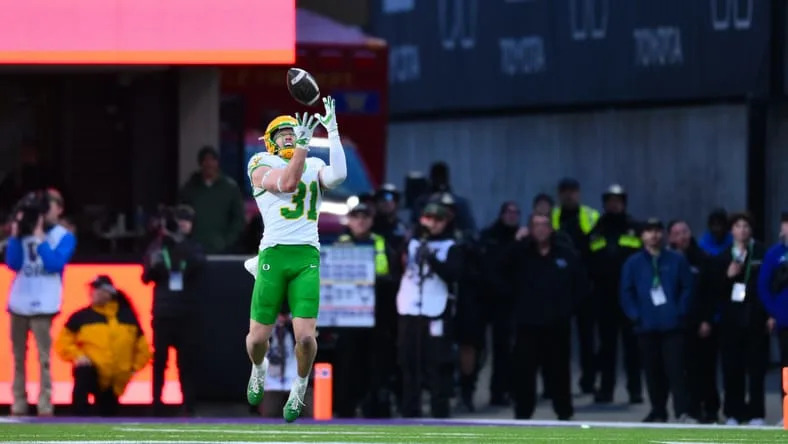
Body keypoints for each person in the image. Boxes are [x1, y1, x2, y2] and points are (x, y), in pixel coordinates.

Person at [242, 97, 347, 422]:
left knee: (305, 337)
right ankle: (259, 369)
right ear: (271, 141)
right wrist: (302, 146)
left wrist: (332, 131)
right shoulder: (260, 162)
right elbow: (287, 182)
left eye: (294, 131)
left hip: (306, 254)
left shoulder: (313, 164)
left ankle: (300, 387)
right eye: (283, 133)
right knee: (258, 337)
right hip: (274, 252)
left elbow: (338, 177)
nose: (290, 135)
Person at [5, 188, 77, 416]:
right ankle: (18, 401)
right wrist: (16, 236)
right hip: (19, 300)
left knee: (44, 357)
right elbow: (13, 263)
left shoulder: (64, 236)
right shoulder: (23, 233)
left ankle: (45, 402)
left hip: (44, 302)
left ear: (58, 209)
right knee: (18, 356)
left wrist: (40, 238)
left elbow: (54, 263)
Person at [620, 218, 694, 423]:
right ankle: (658, 410)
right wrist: (635, 315)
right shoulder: (633, 263)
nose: (654, 235)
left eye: (657, 230)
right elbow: (626, 292)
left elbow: (687, 287)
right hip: (646, 326)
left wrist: (680, 312)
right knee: (652, 372)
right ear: (642, 236)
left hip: (673, 326)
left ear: (663, 234)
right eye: (649, 231)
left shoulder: (676, 260)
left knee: (676, 371)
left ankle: (682, 412)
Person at [54, 275, 151, 416]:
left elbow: (143, 349)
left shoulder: (128, 317)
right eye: (92, 290)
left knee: (109, 415)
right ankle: (78, 418)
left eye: (97, 290)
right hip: (92, 372)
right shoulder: (81, 317)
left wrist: (133, 368)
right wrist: (78, 356)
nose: (92, 293)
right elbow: (63, 342)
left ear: (108, 293)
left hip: (115, 381)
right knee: (83, 373)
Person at [141, 205, 206, 416]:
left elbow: (199, 265)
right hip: (163, 313)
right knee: (159, 361)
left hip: (187, 313)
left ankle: (189, 406)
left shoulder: (194, 245)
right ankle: (156, 405)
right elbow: (146, 276)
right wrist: (159, 254)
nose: (184, 225)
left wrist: (178, 243)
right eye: (180, 221)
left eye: (187, 221)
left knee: (186, 362)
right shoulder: (158, 246)